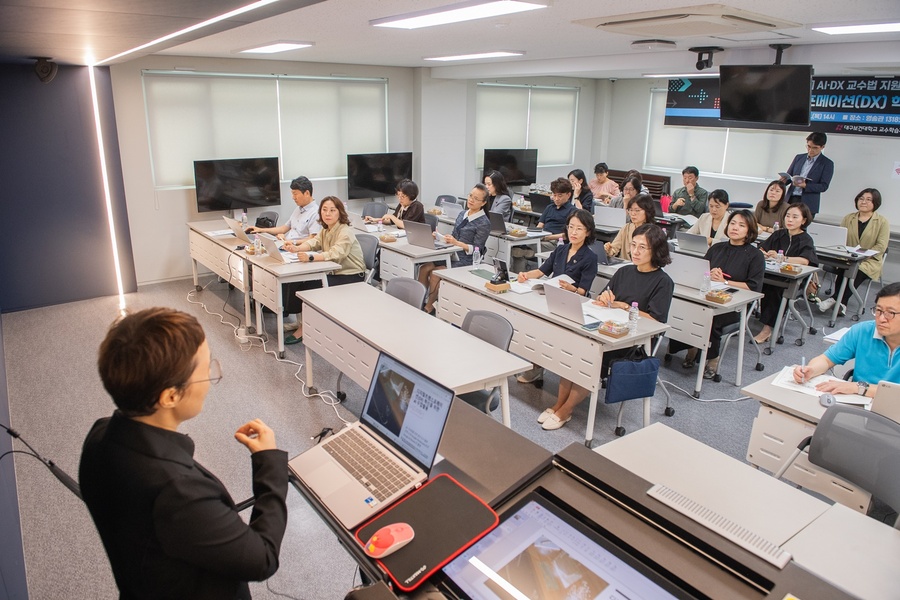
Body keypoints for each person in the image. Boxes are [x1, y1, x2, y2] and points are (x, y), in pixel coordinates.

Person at [79, 308, 288, 599]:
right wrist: (270, 465)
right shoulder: (178, 492)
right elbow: (262, 558)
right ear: (171, 396)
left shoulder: (100, 435)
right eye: (205, 371)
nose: (211, 379)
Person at [537, 224, 673, 430]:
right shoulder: (624, 271)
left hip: (633, 342)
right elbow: (603, 296)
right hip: (606, 328)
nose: (635, 251)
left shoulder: (663, 281)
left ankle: (566, 410)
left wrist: (624, 306)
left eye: (642, 247)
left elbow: (656, 320)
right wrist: (604, 298)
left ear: (656, 250)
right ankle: (559, 404)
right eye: (633, 245)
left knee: (590, 357)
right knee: (573, 349)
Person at [666, 210, 766, 378]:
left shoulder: (755, 255)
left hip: (734, 305)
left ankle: (712, 357)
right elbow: (701, 270)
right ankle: (691, 346)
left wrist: (725, 281)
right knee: (685, 308)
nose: (735, 228)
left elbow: (753, 286)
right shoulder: (717, 248)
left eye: (741, 225)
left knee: (709, 316)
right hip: (707, 295)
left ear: (750, 230)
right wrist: (708, 274)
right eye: (733, 223)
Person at [515, 209, 599, 386]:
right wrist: (525, 275)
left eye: (579, 229)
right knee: (535, 324)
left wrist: (571, 288)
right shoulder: (561, 249)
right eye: (571, 227)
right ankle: (536, 367)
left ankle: (543, 367)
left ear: (588, 232)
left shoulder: (590, 257)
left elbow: (584, 291)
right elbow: (541, 271)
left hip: (573, 304)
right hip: (552, 297)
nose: (573, 232)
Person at [283, 196, 366, 344]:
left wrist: (311, 257)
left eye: (332, 210)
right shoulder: (326, 229)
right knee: (298, 284)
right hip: (333, 271)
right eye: (324, 210)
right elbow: (314, 243)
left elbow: (336, 253)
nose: (327, 214)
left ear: (340, 212)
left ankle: (305, 328)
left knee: (311, 288)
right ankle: (303, 322)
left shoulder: (344, 231)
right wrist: (297, 248)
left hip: (351, 275)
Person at [794, 282, 900, 397]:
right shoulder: (862, 331)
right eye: (878, 310)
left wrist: (859, 387)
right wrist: (811, 370)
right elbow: (826, 359)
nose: (881, 318)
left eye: (891, 313)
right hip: (858, 400)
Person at [418, 184, 491, 314]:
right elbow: (454, 236)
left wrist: (457, 243)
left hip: (466, 259)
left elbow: (478, 249)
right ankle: (419, 300)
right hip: (451, 253)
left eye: (476, 199)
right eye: (470, 196)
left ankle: (429, 307)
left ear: (483, 203)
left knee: (435, 273)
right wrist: (440, 237)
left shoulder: (484, 222)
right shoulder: (462, 214)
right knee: (424, 268)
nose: (471, 200)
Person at [754, 202, 818, 344]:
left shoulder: (806, 239)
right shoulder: (778, 234)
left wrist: (783, 258)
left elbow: (805, 260)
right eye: (788, 216)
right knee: (755, 282)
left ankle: (767, 329)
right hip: (772, 273)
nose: (790, 219)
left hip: (793, 280)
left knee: (774, 290)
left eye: (795, 217)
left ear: (804, 220)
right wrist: (764, 254)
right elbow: (761, 249)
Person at [819, 188, 890, 315]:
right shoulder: (849, 218)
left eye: (868, 199)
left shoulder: (882, 222)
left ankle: (835, 299)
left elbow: (881, 246)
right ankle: (841, 304)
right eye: (861, 198)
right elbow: (839, 239)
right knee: (846, 266)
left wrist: (863, 255)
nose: (863, 202)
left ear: (875, 203)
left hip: (869, 261)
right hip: (846, 257)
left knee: (856, 268)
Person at [511, 177, 576, 272]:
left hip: (557, 242)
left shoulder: (572, 211)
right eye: (554, 195)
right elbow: (539, 226)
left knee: (522, 248)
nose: (556, 199)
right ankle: (520, 268)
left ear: (568, 195)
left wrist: (548, 237)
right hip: (542, 238)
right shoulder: (549, 207)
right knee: (517, 245)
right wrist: (532, 235)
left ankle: (528, 252)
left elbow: (567, 235)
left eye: (560, 196)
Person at [248, 175, 321, 243]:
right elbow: (283, 228)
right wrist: (261, 230)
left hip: (299, 249)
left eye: (295, 194)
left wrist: (289, 242)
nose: (293, 197)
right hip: (287, 245)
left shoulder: (315, 213)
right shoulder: (298, 209)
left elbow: (313, 239)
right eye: (292, 194)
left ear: (307, 193)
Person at [781, 132, 834, 219]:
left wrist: (805, 186)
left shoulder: (827, 163)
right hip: (790, 199)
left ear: (822, 147)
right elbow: (789, 176)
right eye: (809, 146)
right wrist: (783, 181)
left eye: (815, 148)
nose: (810, 150)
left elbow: (824, 186)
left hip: (808, 203)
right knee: (785, 224)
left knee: (803, 226)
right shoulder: (799, 158)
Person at [604, 193, 654, 261]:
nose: (633, 213)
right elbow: (614, 249)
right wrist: (609, 250)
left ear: (648, 211)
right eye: (630, 210)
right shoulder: (626, 228)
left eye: (637, 210)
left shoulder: (652, 232)